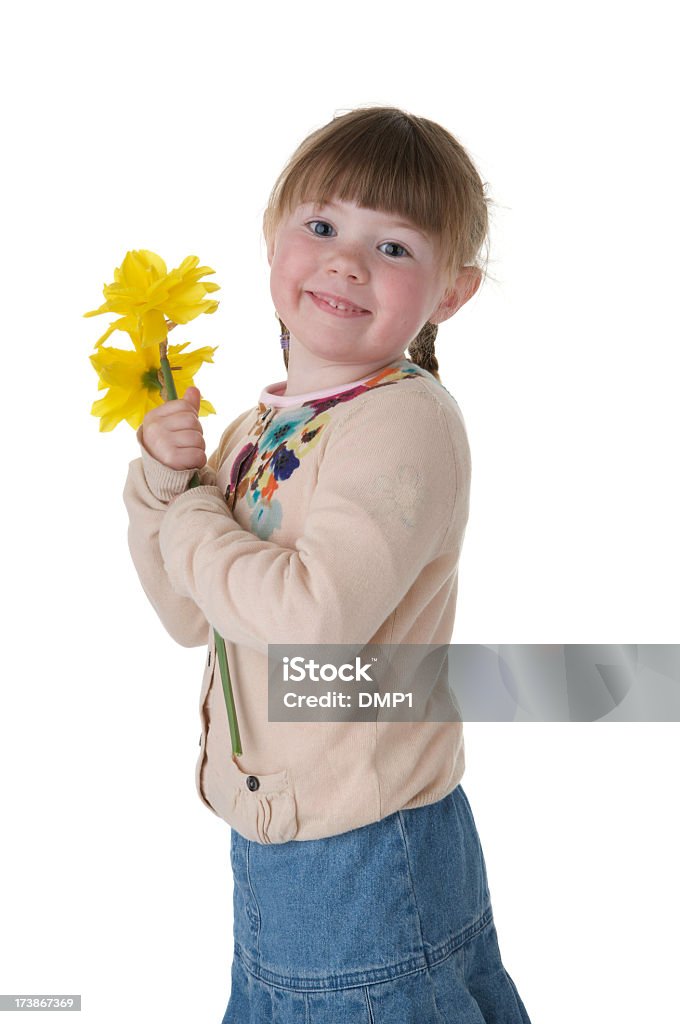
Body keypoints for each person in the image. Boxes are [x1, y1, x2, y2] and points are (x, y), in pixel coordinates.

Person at [123, 106, 532, 1023]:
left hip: (361, 848)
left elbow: (310, 623)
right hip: (287, 833)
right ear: (274, 240)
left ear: (452, 292)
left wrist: (189, 510)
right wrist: (163, 481)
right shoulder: (259, 425)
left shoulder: (402, 420)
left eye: (394, 248)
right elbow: (196, 615)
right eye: (322, 227)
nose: (347, 261)